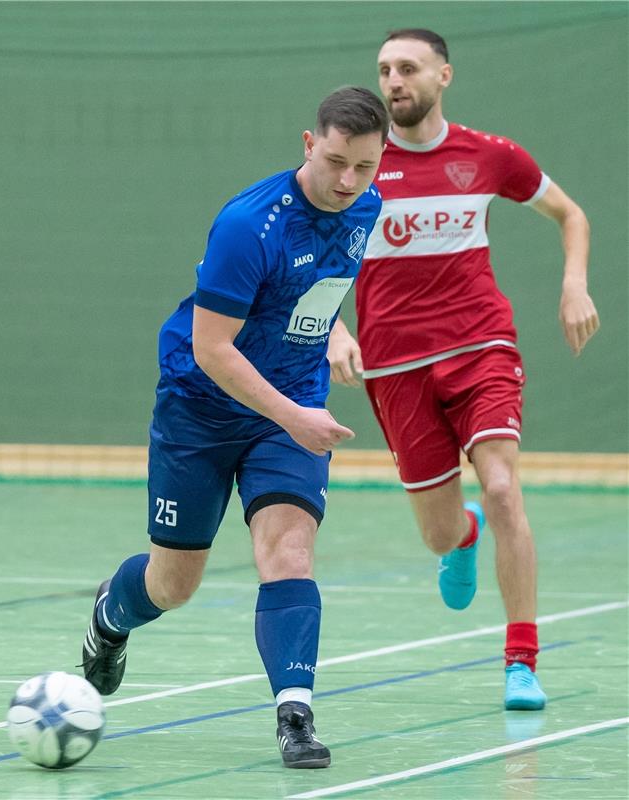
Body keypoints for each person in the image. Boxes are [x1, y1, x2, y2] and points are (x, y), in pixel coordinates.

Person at [80, 86, 389, 768]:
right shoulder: (247, 225)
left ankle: (295, 715)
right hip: (203, 408)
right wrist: (294, 416)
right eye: (335, 161)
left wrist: (334, 332)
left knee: (288, 552)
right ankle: (110, 617)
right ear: (308, 145)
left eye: (363, 166)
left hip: (290, 406)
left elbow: (305, 288)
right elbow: (211, 347)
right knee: (174, 584)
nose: (347, 181)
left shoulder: (366, 207)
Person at [328, 29, 600, 710]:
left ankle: (520, 662)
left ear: (442, 75)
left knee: (504, 485)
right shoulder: (359, 167)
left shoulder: (487, 155)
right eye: (384, 69)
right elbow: (309, 253)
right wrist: (333, 329)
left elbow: (570, 215)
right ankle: (464, 536)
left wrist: (573, 285)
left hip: (480, 346)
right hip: (396, 367)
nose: (393, 81)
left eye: (408, 68)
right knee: (438, 532)